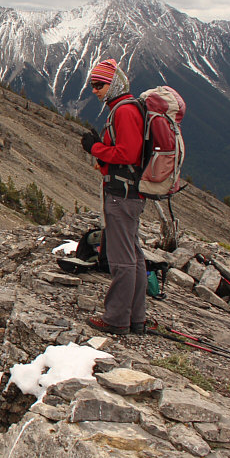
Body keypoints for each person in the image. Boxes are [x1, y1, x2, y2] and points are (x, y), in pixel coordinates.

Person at [80, 59, 149, 335]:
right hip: (130, 192)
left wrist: (96, 148)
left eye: (100, 85)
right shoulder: (127, 107)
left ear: (114, 84)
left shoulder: (123, 111)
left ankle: (116, 319)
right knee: (133, 254)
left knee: (121, 258)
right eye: (93, 85)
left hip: (121, 194)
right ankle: (136, 317)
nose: (95, 91)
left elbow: (127, 154)